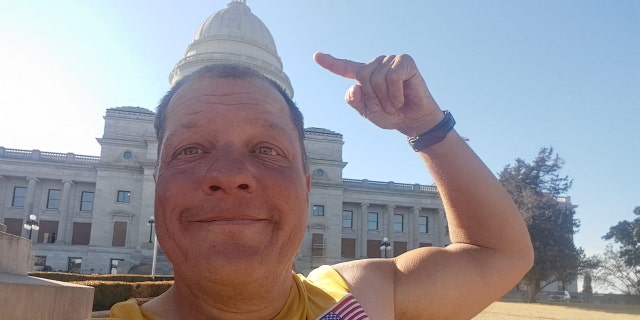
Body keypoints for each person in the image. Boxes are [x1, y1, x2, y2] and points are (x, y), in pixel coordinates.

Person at [107, 52, 533, 320]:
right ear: (155, 181)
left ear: (308, 188)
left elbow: (500, 255)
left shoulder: (355, 300)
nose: (230, 175)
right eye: (191, 150)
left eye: (267, 150)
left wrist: (428, 126)